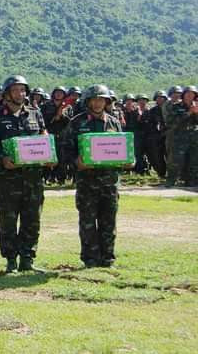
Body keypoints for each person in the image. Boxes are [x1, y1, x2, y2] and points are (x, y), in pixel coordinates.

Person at [0, 75, 51, 273]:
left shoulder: (35, 113)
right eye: (15, 90)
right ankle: (11, 260)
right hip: (9, 179)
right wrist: (2, 160)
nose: (20, 94)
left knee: (32, 219)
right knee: (8, 220)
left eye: (22, 90)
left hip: (33, 178)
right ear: (7, 94)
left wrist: (48, 152)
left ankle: (27, 259)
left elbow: (43, 136)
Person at [60, 85, 131, 268]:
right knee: (88, 222)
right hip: (87, 182)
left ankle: (107, 258)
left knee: (109, 222)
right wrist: (77, 162)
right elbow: (65, 149)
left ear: (107, 102)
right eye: (95, 99)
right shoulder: (77, 122)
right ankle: (90, 260)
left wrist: (129, 160)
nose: (98, 103)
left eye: (102, 99)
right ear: (88, 101)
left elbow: (122, 147)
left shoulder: (114, 122)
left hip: (110, 182)